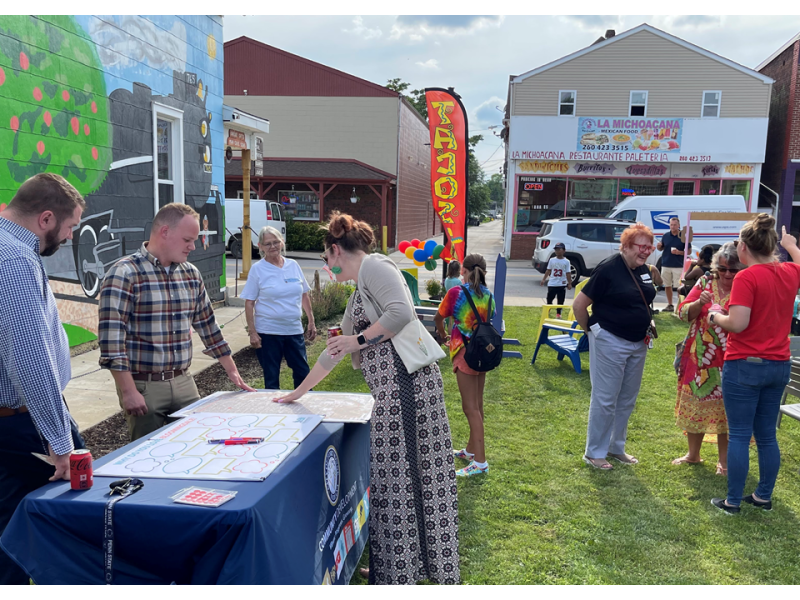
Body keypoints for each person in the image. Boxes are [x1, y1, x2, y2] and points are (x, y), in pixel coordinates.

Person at [276, 212, 459, 585]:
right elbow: (334, 352)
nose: (327, 267)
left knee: (412, 479)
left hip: (409, 390)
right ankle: (396, 568)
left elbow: (402, 313)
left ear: (335, 250)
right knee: (393, 482)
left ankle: (417, 568)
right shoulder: (360, 290)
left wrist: (357, 340)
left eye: (326, 259)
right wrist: (296, 393)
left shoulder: (375, 266)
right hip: (393, 393)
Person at [98, 203, 255, 441]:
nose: (193, 246)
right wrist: (128, 391)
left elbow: (208, 325)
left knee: (194, 446)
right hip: (144, 385)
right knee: (147, 457)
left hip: (184, 381)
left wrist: (232, 371)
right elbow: (112, 341)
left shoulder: (190, 273)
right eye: (187, 240)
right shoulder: (124, 274)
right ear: (164, 232)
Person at [0, 173, 87, 585]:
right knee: (72, 527)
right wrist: (60, 441)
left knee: (8, 530)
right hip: (21, 422)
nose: (70, 237)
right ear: (47, 218)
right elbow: (29, 359)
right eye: (70, 227)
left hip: (16, 420)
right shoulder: (13, 258)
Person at [708, 216, 800, 514]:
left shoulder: (747, 277)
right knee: (766, 435)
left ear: (744, 247)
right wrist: (791, 246)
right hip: (779, 364)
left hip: (745, 364)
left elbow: (737, 323)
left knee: (739, 434)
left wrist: (714, 316)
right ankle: (763, 496)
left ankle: (732, 500)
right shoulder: (788, 271)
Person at [573, 223, 656, 470]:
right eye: (642, 247)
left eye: (649, 247)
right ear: (626, 246)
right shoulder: (609, 268)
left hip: (637, 342)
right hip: (610, 340)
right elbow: (579, 305)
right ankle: (594, 452)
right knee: (605, 398)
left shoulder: (642, 269)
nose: (646, 252)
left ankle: (615, 447)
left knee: (627, 398)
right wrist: (593, 332)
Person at [672, 242, 744, 474]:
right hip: (700, 356)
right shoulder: (704, 282)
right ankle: (693, 455)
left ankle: (724, 462)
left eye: (733, 270)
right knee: (696, 404)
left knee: (727, 410)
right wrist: (698, 303)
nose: (727, 274)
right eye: (722, 269)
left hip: (732, 357)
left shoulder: (745, 286)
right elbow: (682, 312)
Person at [434, 253, 496, 477]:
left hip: (464, 352)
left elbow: (438, 317)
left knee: (470, 408)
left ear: (463, 270)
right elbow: (491, 316)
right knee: (477, 406)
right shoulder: (488, 295)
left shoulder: (455, 293)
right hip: (483, 353)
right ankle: (471, 450)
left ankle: (480, 462)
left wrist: (443, 335)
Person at [242, 226, 316, 390]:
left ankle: (306, 410)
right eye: (267, 244)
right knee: (271, 377)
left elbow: (304, 294)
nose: (272, 246)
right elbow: (249, 302)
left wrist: (311, 321)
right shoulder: (258, 269)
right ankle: (273, 414)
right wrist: (253, 332)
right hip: (268, 333)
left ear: (282, 242)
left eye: (276, 242)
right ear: (260, 246)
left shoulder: (293, 265)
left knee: (303, 373)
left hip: (293, 330)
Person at [657, 217, 692, 312]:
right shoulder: (666, 236)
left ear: (679, 225)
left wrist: (679, 252)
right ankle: (670, 305)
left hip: (678, 265)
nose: (673, 227)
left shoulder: (683, 236)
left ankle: (680, 306)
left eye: (675, 225)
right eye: (671, 225)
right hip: (666, 264)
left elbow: (689, 251)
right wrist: (659, 247)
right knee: (667, 285)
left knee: (679, 287)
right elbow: (661, 248)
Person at [540, 242, 572, 318]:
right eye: (556, 249)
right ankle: (548, 310)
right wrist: (544, 279)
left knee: (560, 300)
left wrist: (569, 283)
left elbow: (568, 273)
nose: (557, 251)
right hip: (552, 283)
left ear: (564, 250)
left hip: (561, 283)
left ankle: (558, 313)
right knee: (549, 298)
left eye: (559, 249)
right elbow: (548, 270)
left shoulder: (566, 261)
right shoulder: (552, 260)